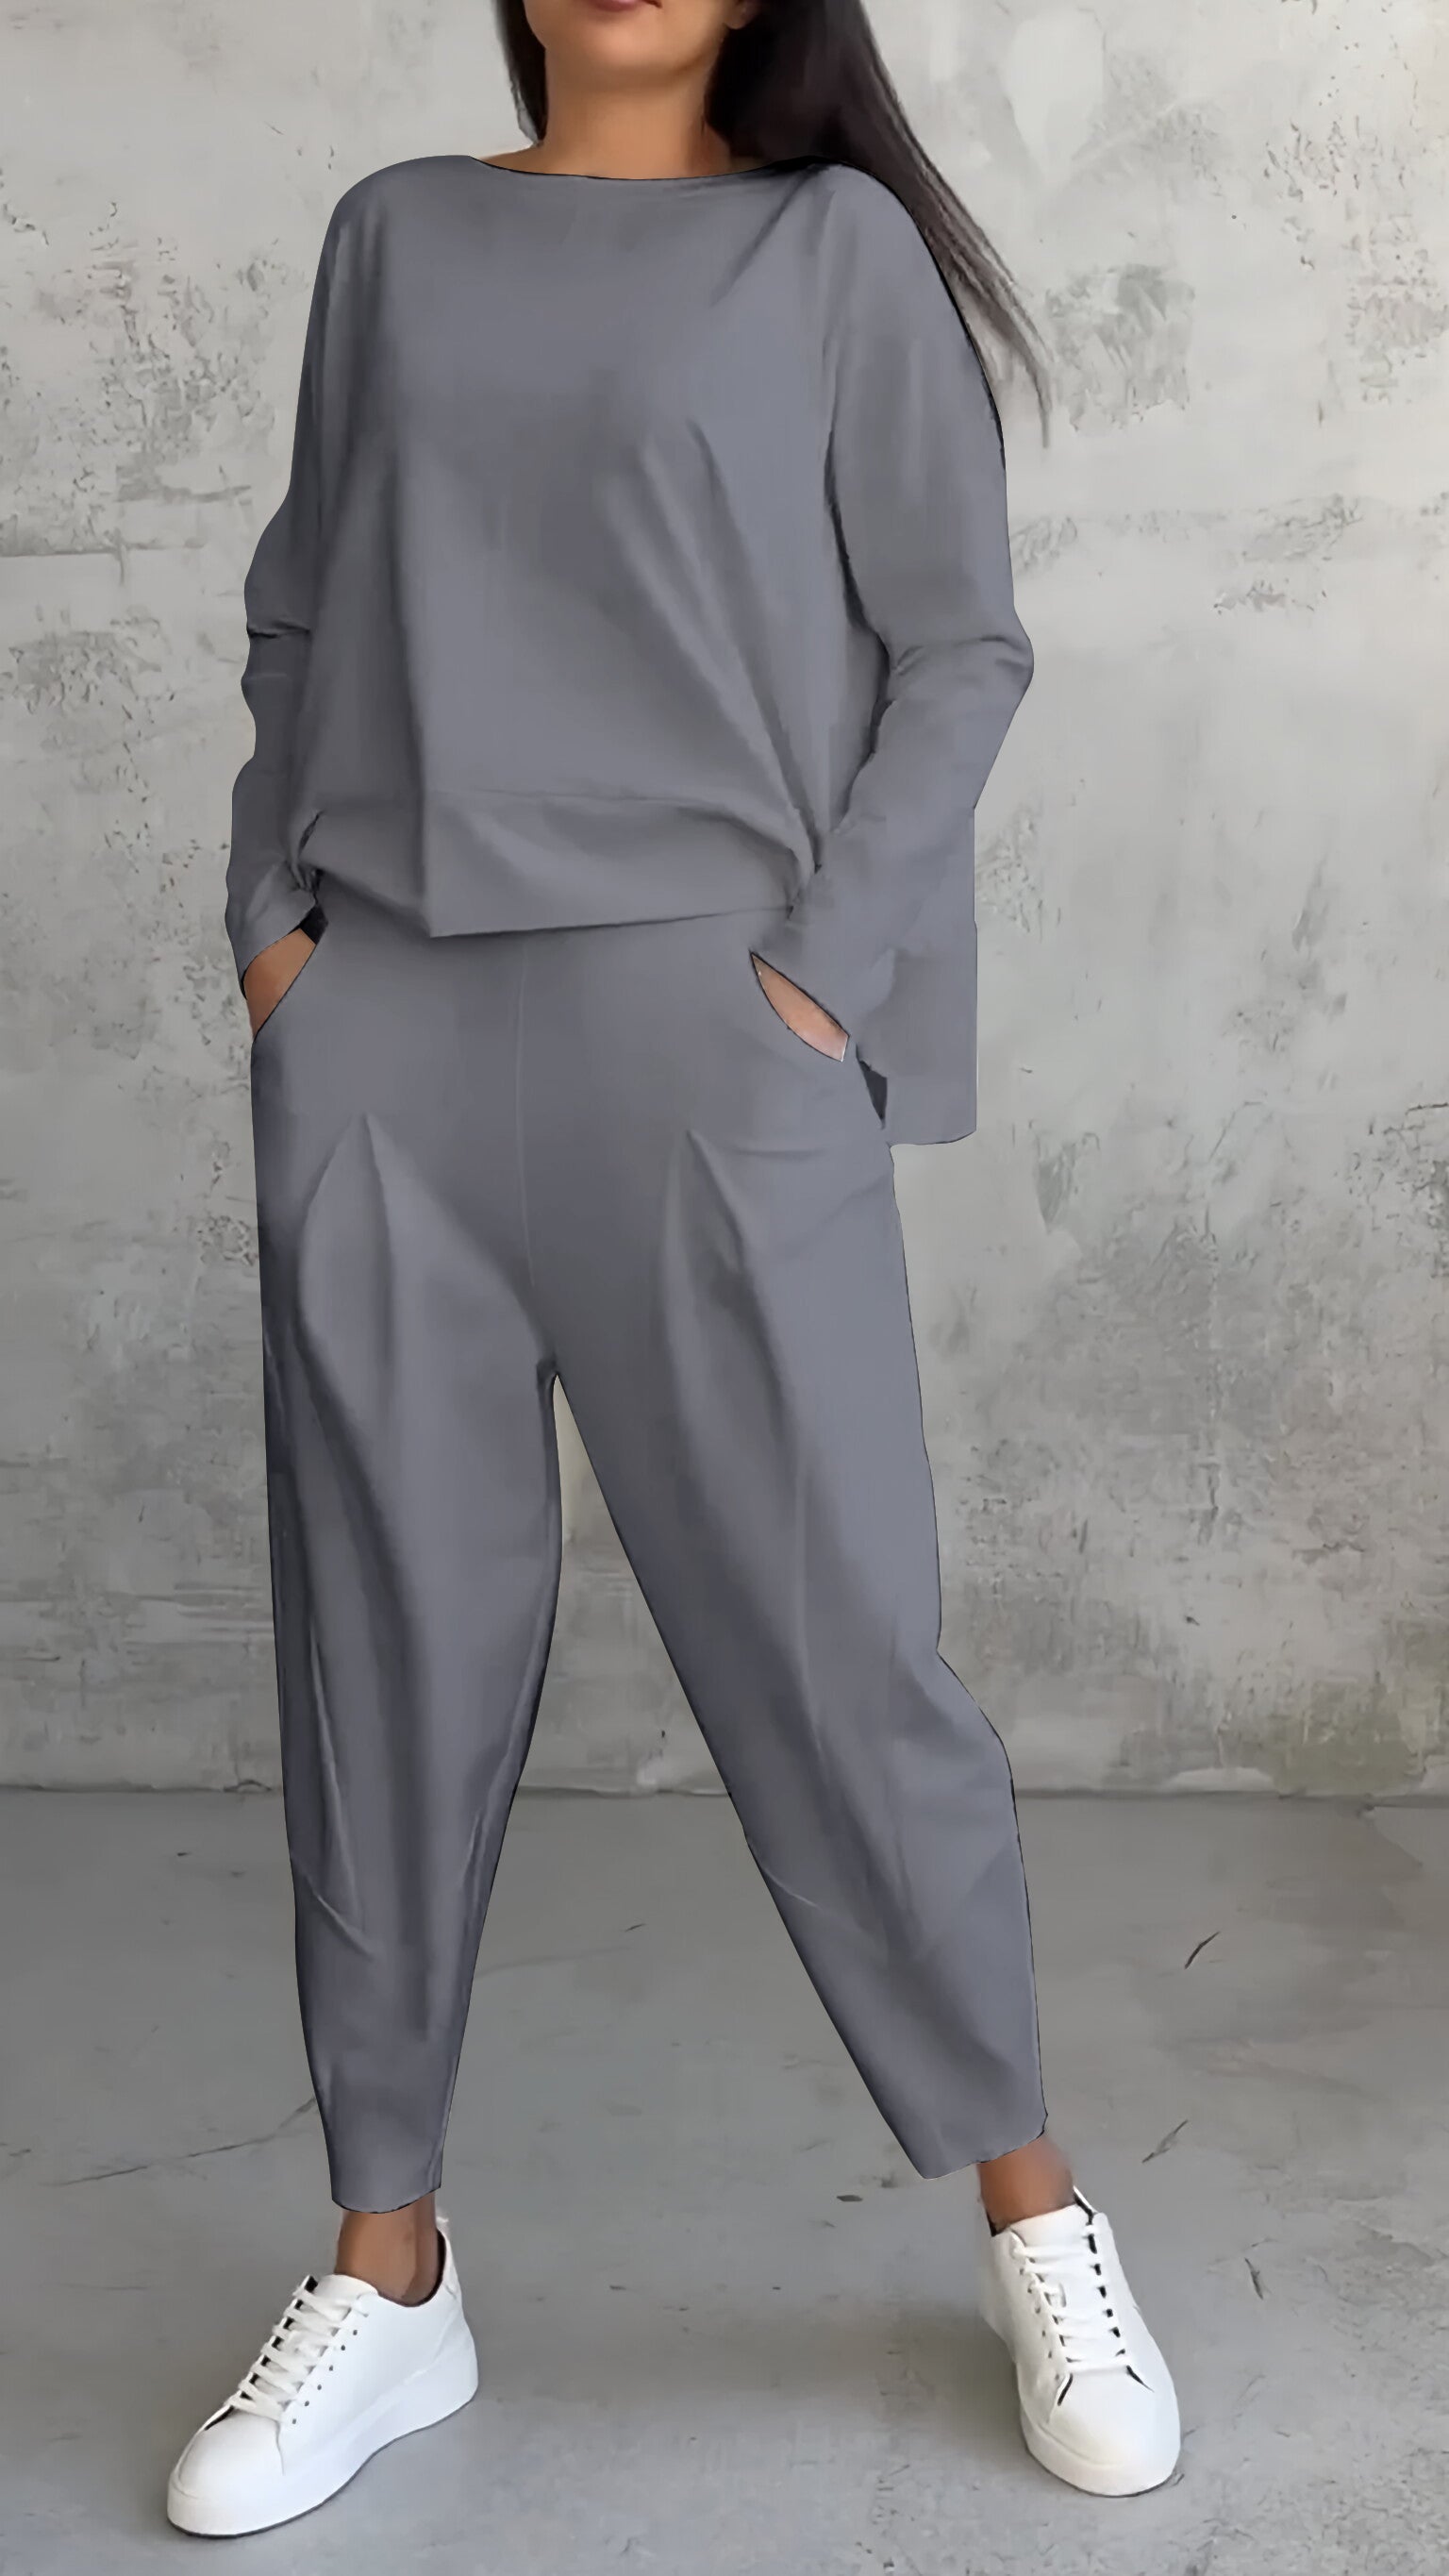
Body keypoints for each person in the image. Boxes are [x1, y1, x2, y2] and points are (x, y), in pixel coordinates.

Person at [166, 0, 1180, 2537]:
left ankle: (1034, 2209)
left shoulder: (831, 257)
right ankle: (389, 2265)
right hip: (388, 1030)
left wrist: (813, 982)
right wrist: (277, 938)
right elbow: (299, 616)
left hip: (707, 1035)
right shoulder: (396, 241)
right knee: (383, 1644)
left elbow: (959, 645)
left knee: (838, 1644)